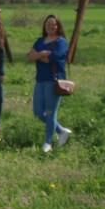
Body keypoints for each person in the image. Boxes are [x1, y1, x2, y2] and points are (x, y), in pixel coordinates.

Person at [27, 14, 71, 153]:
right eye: (48, 24)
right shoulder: (40, 41)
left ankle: (48, 143)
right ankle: (62, 131)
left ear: (58, 26)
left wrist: (39, 55)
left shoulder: (61, 42)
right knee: (38, 112)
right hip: (40, 80)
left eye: (53, 24)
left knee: (50, 113)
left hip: (54, 81)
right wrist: (42, 54)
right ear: (44, 26)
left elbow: (55, 57)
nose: (50, 26)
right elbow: (30, 56)